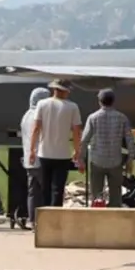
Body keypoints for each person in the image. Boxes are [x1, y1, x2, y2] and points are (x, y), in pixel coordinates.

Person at [28, 78, 83, 208]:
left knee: (45, 188)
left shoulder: (42, 104)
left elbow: (36, 128)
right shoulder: (72, 107)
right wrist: (77, 150)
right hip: (63, 154)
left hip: (44, 153)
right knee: (58, 189)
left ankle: (44, 214)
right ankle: (56, 214)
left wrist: (32, 150)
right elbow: (76, 131)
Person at [80, 88, 135, 207]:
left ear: (99, 101)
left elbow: (84, 140)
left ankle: (98, 215)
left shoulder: (93, 117)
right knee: (116, 196)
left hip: (97, 160)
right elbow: (130, 140)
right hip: (115, 161)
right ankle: (114, 215)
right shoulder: (122, 118)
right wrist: (130, 159)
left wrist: (81, 159)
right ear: (113, 101)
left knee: (97, 196)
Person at [21, 86, 50, 226]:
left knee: (33, 192)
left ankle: (32, 220)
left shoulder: (26, 115)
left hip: (29, 160)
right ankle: (47, 221)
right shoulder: (39, 116)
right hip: (41, 158)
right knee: (46, 191)